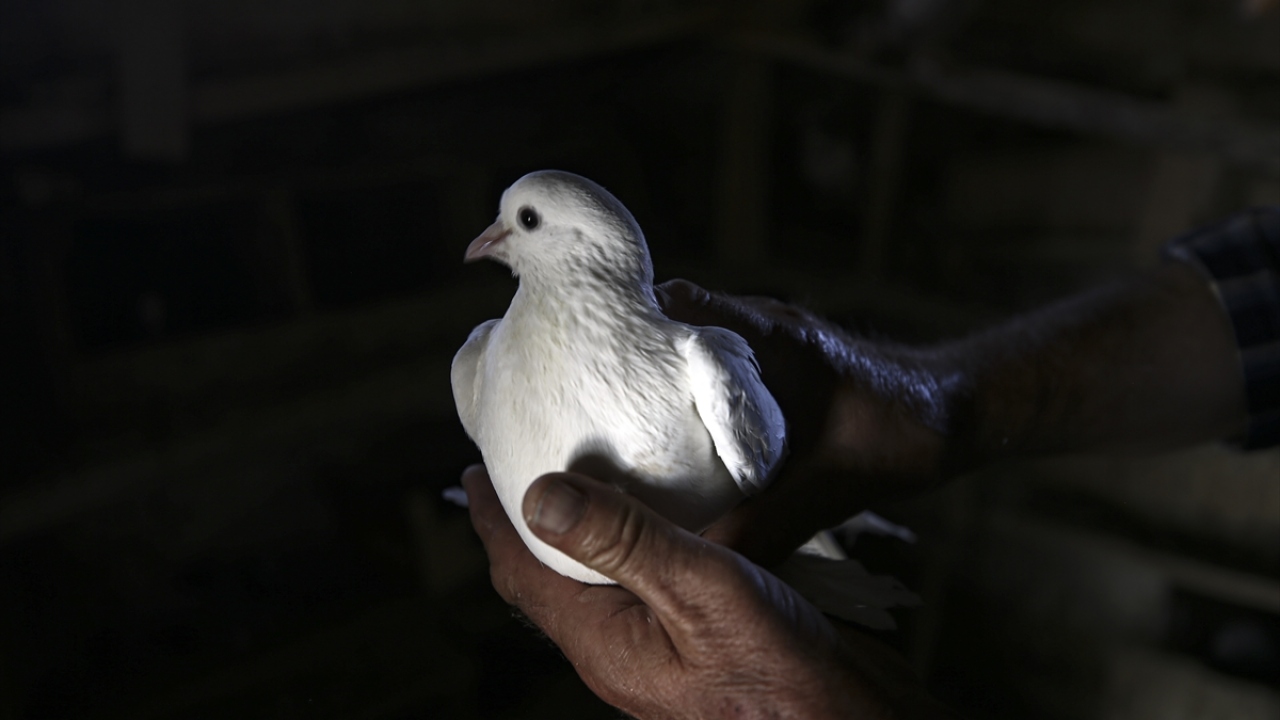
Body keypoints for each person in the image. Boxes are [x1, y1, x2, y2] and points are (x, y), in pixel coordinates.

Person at [460, 207, 1279, 719]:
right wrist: (936, 406)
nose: (496, 236)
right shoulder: (481, 363)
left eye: (523, 221)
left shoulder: (701, 362)